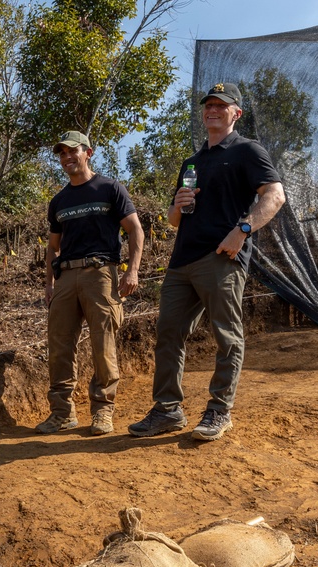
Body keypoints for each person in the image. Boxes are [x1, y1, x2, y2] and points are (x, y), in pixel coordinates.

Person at [129, 83, 286, 441]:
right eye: (208, 105)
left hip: (221, 257)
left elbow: (275, 196)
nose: (212, 110)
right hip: (182, 261)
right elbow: (173, 219)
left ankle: (219, 411)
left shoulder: (248, 151)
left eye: (221, 105)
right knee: (168, 333)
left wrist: (242, 230)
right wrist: (178, 204)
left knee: (226, 335)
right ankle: (167, 410)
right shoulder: (192, 162)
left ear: (236, 113)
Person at [36, 130, 144, 436]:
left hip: (101, 274)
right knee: (59, 347)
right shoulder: (59, 200)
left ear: (88, 153)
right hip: (66, 277)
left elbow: (136, 231)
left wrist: (132, 271)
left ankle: (102, 411)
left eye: (73, 151)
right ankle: (61, 413)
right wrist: (49, 283)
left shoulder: (110, 188)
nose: (67, 157)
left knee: (103, 345)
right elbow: (53, 246)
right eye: (62, 154)